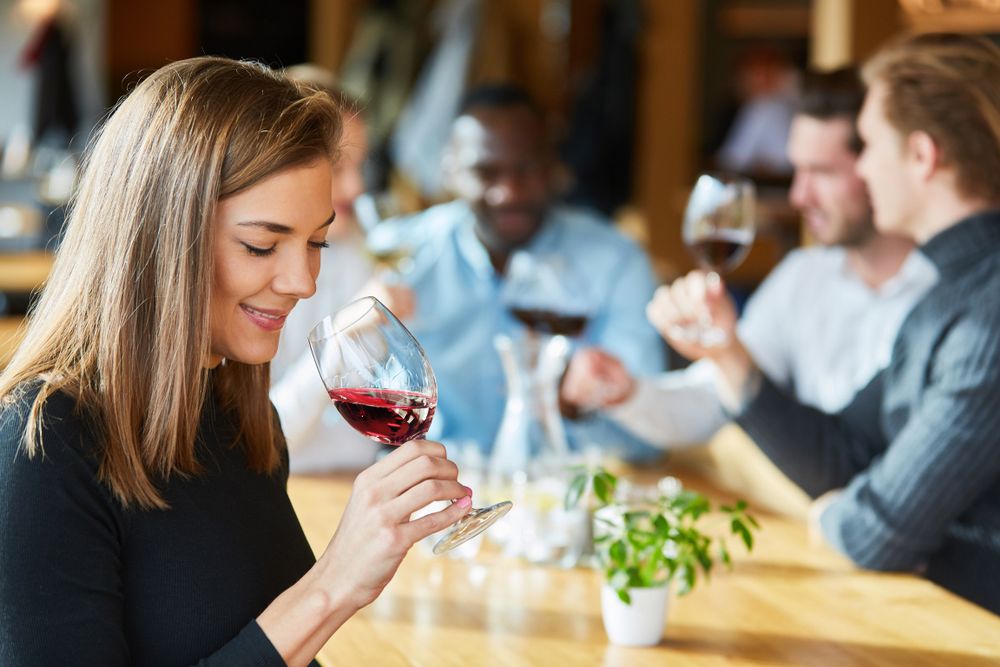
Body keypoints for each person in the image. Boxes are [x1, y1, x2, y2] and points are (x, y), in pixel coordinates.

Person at [0, 57, 473, 665]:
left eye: (316, 242)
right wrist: (331, 587)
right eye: (261, 245)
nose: (303, 280)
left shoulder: (238, 413)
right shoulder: (44, 445)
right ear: (161, 234)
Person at [647, 33, 1000, 614]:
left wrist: (835, 515)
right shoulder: (950, 295)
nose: (860, 167)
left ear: (921, 156)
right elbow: (847, 455)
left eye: (868, 145)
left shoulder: (985, 318)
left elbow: (877, 533)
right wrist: (730, 357)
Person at [562, 67, 938, 447]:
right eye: (797, 171)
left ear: (880, 164)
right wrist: (625, 393)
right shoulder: (804, 277)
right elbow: (709, 402)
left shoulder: (949, 291)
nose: (799, 197)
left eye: (822, 172)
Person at [369, 84, 665, 458]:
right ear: (450, 169)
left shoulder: (616, 263)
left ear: (555, 166)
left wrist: (587, 400)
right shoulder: (400, 255)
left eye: (526, 169)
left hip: (568, 491)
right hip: (431, 487)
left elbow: (646, 439)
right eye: (486, 172)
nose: (508, 192)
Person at [269, 65, 413, 472]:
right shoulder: (256, 276)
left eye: (360, 166)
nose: (357, 188)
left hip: (354, 481)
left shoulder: (356, 251)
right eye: (339, 167)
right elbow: (268, 441)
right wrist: (341, 337)